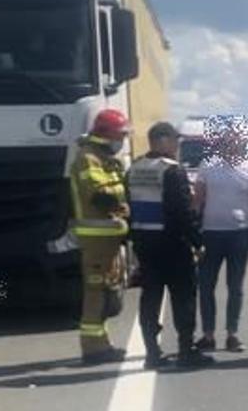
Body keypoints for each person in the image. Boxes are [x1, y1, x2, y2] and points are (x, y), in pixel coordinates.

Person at [126, 121, 209, 369]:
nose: (177, 146)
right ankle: (186, 351)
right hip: (173, 244)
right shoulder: (172, 170)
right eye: (175, 141)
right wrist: (197, 241)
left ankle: (152, 353)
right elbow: (181, 211)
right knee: (183, 297)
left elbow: (128, 206)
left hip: (144, 242)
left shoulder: (134, 168)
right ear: (163, 140)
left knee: (150, 297)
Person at [190, 115, 248, 353]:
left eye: (236, 140)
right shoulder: (207, 166)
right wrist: (192, 233)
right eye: (226, 140)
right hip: (210, 235)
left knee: (235, 286)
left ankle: (232, 334)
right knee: (206, 286)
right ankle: (208, 335)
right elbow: (197, 201)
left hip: (239, 235)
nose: (231, 144)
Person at [68, 108, 132, 364]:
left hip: (107, 238)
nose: (123, 141)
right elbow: (99, 193)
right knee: (96, 291)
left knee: (105, 290)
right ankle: (93, 349)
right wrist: (125, 198)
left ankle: (101, 343)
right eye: (121, 135)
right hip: (96, 238)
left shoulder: (102, 156)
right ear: (107, 135)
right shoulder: (89, 158)